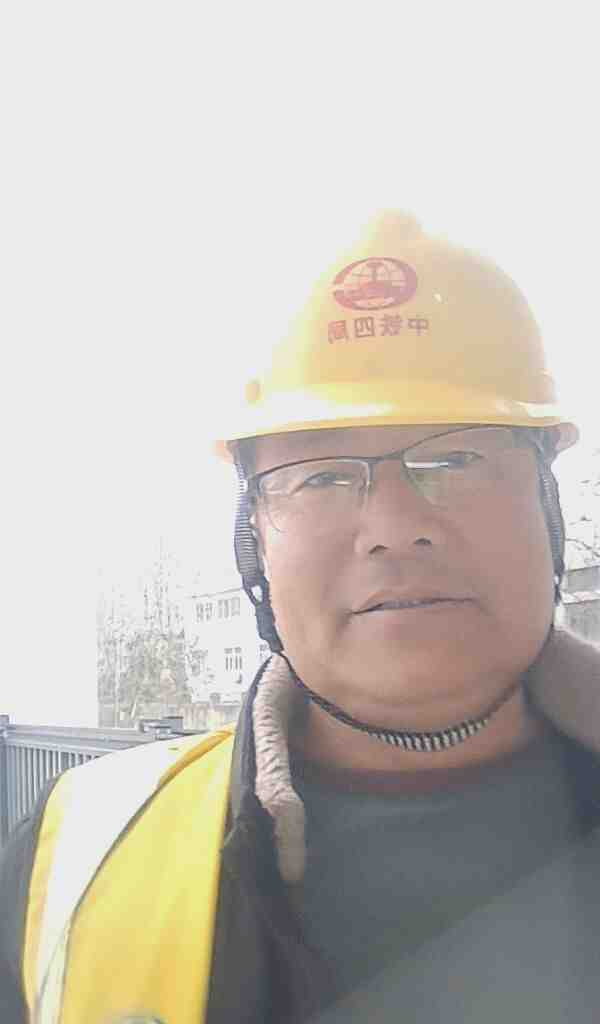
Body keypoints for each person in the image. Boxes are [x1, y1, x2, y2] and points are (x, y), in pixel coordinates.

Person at [2, 209, 600, 1024]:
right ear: (254, 543)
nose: (396, 526)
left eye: (457, 458)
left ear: (547, 507)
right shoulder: (77, 857)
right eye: (321, 477)